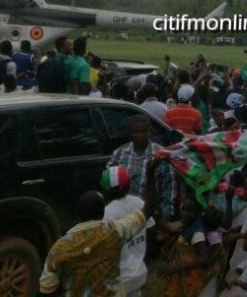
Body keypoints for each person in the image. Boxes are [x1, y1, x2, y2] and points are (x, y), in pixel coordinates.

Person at [38, 157, 162, 296]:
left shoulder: (60, 247)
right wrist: (150, 172)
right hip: (133, 277)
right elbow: (149, 208)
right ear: (101, 212)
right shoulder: (114, 230)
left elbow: (47, 289)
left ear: (78, 215)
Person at [106, 115, 177, 227]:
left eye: (144, 131)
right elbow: (109, 183)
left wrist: (166, 216)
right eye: (136, 132)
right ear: (130, 133)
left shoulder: (160, 154)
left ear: (150, 131)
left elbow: (169, 187)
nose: (140, 135)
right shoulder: (120, 154)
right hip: (124, 216)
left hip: (150, 215)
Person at [101, 167, 150, 297]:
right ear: (128, 186)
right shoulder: (139, 203)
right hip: (139, 271)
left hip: (120, 276)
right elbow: (150, 230)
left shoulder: (107, 213)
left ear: (105, 190)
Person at [162, 200, 224, 297]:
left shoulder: (198, 233)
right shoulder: (189, 224)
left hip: (191, 274)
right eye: (183, 209)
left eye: (189, 211)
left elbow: (203, 258)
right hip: (183, 269)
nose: (185, 213)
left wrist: (176, 268)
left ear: (198, 214)